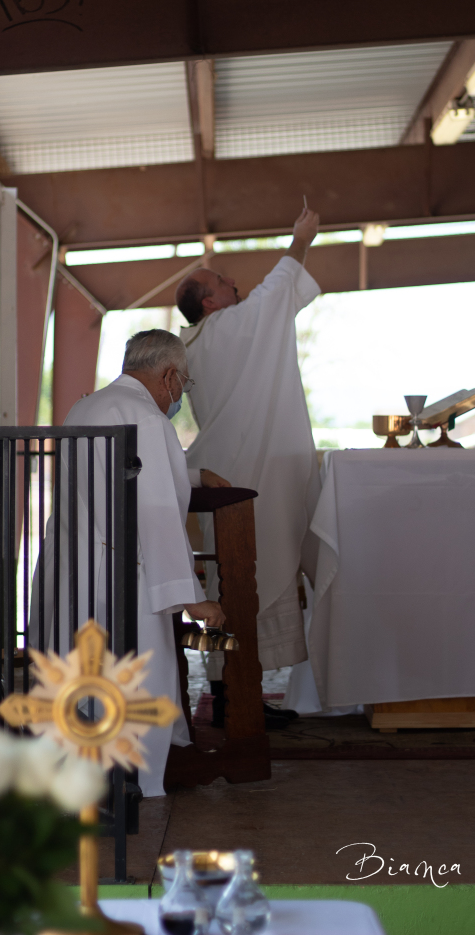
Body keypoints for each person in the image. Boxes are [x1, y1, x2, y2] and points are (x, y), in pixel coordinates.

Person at [30, 329, 228, 796]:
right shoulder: (148, 418)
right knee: (137, 679)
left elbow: (118, 473)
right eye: (184, 384)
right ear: (170, 376)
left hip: (74, 568)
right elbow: (156, 509)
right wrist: (192, 597)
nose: (180, 394)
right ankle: (137, 784)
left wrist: (193, 475)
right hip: (123, 575)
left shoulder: (87, 407)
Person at [175, 208, 321, 726]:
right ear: (209, 302)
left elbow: (271, 297)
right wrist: (300, 239)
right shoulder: (230, 329)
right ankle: (234, 699)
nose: (233, 283)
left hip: (222, 473)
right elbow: (276, 290)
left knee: (228, 582)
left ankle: (232, 695)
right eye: (221, 281)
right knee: (250, 580)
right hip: (252, 476)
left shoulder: (190, 346)